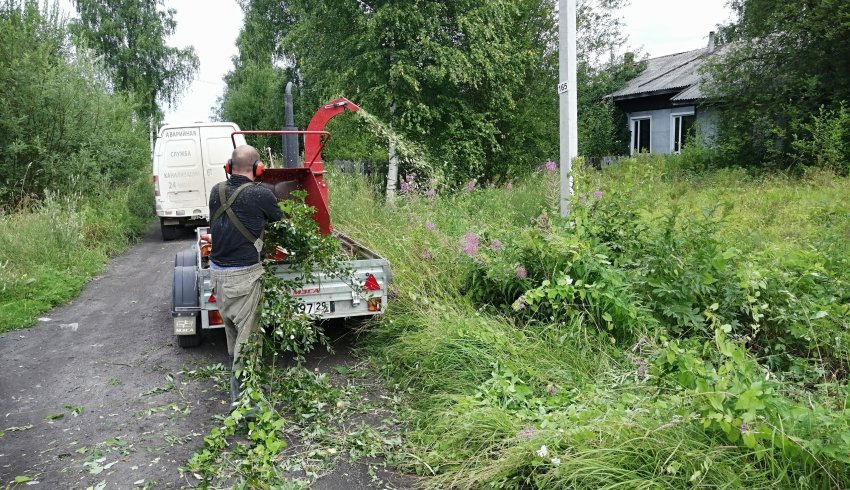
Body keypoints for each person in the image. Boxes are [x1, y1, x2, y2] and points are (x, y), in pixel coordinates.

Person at [208, 144, 284, 406]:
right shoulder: (260, 194)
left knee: (233, 336)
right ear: (258, 168)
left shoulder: (215, 191)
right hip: (244, 277)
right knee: (248, 342)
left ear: (229, 167)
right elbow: (277, 218)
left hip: (218, 276)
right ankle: (244, 405)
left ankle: (241, 391)